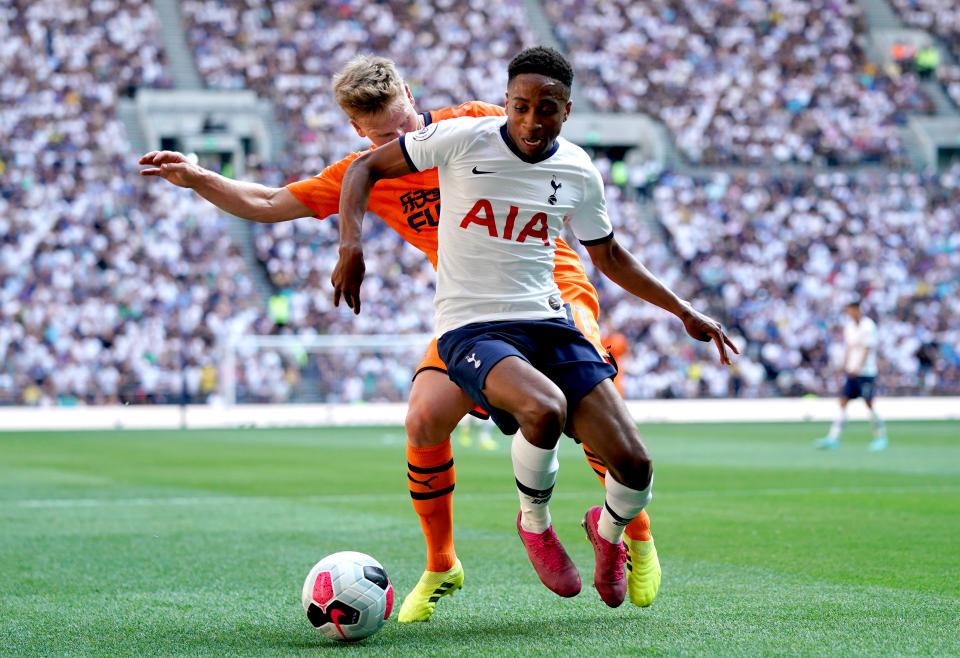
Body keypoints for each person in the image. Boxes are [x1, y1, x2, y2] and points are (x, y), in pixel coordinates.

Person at [139, 55, 663, 617]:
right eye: (383, 135)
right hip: (474, 309)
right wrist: (198, 179)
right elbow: (267, 202)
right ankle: (443, 564)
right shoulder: (366, 168)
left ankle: (633, 533)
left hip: (553, 284)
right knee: (423, 419)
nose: (401, 140)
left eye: (405, 125)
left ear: (411, 96)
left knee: (587, 414)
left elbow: (553, 160)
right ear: (358, 132)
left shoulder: (476, 123)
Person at [332, 46, 737, 608]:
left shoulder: (576, 167)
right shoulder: (462, 137)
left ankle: (608, 532)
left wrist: (684, 310)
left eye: (546, 108)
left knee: (636, 464)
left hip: (548, 319)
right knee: (542, 408)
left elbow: (611, 255)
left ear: (566, 111)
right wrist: (351, 246)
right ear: (504, 102)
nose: (530, 120)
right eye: (519, 106)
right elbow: (362, 167)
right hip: (472, 326)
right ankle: (535, 524)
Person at [816, 299, 888, 451]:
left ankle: (881, 437)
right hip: (852, 371)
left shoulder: (868, 326)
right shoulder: (849, 327)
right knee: (843, 402)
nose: (849, 313)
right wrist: (845, 366)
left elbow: (868, 348)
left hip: (866, 372)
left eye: (851, 310)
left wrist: (858, 367)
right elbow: (849, 348)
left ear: (857, 309)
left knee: (869, 404)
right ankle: (833, 438)